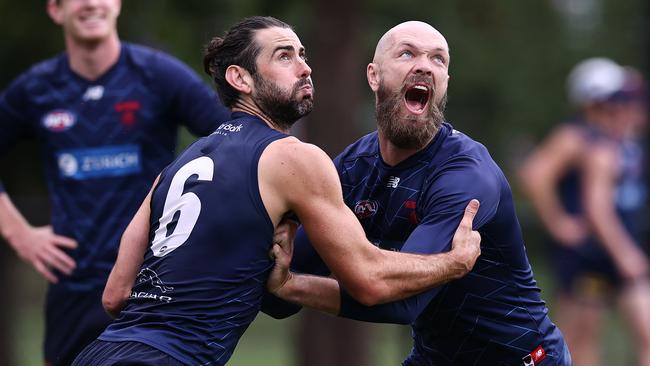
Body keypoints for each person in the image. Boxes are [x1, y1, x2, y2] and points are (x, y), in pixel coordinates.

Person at [70, 16, 482, 365]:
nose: (304, 68)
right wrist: (453, 263)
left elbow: (115, 295)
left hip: (99, 352)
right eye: (284, 56)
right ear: (240, 78)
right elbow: (369, 279)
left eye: (303, 55)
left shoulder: (175, 167)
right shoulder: (293, 158)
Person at [262, 21, 572, 366]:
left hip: (523, 359)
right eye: (407, 53)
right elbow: (277, 292)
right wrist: (276, 276)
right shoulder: (353, 168)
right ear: (374, 76)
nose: (424, 65)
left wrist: (291, 286)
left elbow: (398, 303)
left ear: (444, 86)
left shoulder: (465, 175)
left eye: (438, 59)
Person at [0, 0, 232, 364]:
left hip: (151, 285)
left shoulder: (160, 76)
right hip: (72, 289)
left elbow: (234, 140)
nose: (91, 3)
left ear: (117, 5)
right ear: (55, 10)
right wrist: (18, 233)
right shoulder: (35, 89)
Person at [519, 58, 650, 366]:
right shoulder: (576, 136)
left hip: (613, 247)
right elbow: (534, 174)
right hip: (588, 253)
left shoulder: (613, 136)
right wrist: (558, 222)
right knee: (578, 339)